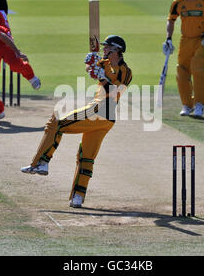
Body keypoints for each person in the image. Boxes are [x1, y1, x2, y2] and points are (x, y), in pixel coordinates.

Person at [20, 35, 132, 208]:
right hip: (102, 117)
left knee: (57, 123)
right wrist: (90, 63)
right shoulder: (104, 62)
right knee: (85, 156)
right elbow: (92, 68)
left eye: (107, 47)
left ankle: (42, 162)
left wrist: (101, 77)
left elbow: (114, 93)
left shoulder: (126, 72)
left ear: (116, 50)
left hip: (102, 111)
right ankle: (78, 197)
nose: (103, 49)